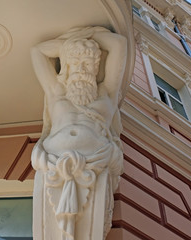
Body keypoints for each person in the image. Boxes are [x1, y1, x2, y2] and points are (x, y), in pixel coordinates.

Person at [30, 27, 127, 238]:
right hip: (52, 164)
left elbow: (119, 45)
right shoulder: (56, 91)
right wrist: (73, 44)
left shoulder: (107, 93)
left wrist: (88, 35)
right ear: (66, 66)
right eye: (75, 64)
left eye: (88, 64)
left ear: (96, 67)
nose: (82, 69)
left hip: (95, 163)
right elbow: (37, 52)